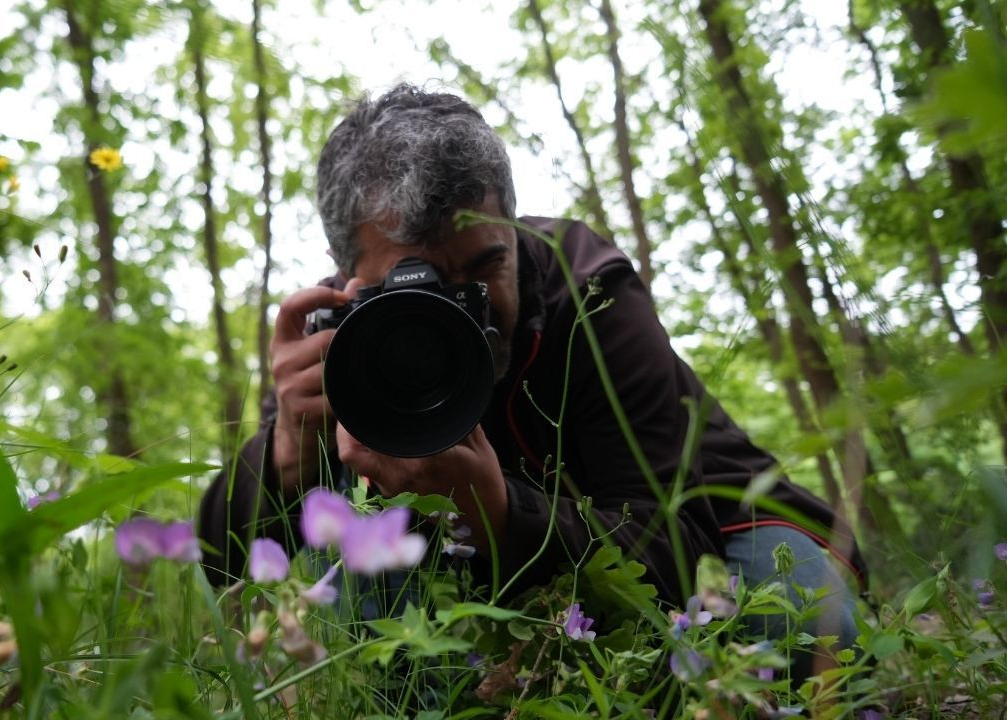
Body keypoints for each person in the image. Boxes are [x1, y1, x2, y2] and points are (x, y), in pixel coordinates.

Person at [197, 83, 866, 678]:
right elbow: (220, 560)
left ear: (515, 231)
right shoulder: (338, 338)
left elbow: (672, 543)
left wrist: (500, 513)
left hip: (718, 520)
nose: (465, 312)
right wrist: (287, 452)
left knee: (811, 629)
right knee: (378, 614)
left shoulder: (590, 292)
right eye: (420, 286)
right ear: (350, 280)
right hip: (492, 567)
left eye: (486, 267)